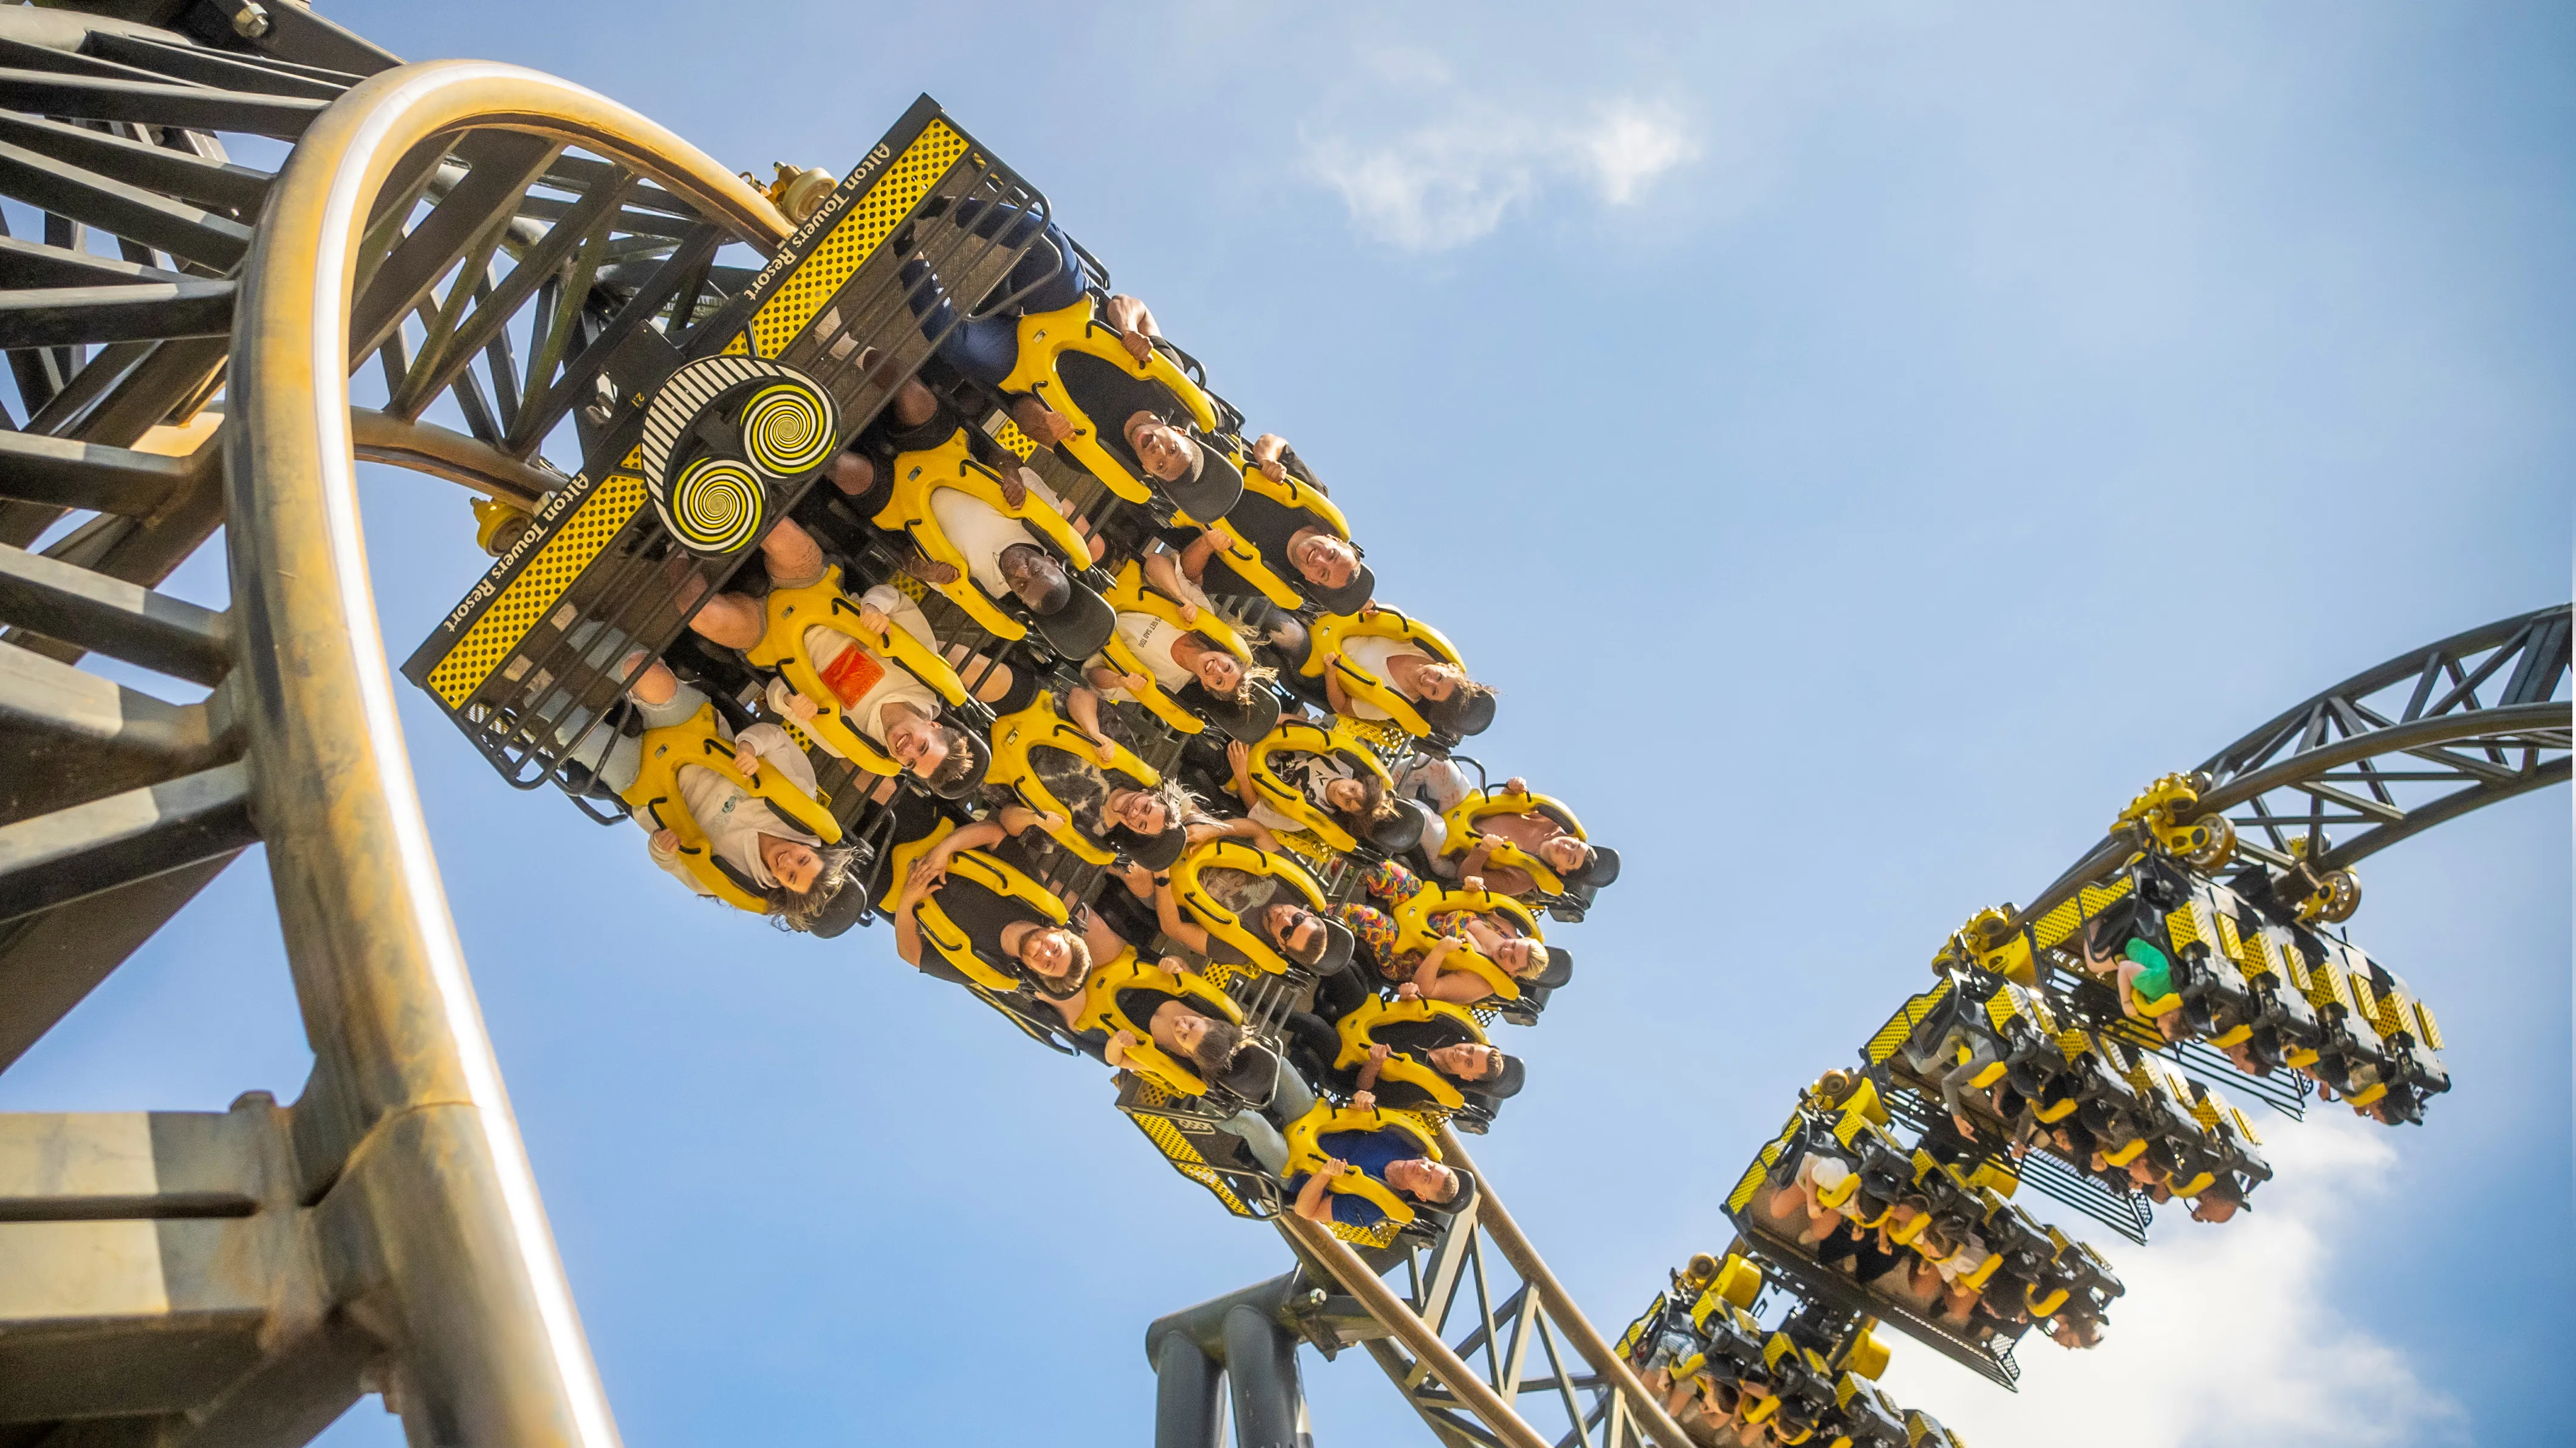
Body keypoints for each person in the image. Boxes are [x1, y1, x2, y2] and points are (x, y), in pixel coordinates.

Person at [668, 516, 992, 794]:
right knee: (779, 532)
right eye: (922, 747)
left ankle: (674, 545)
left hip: (771, 638)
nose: (907, 750)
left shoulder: (848, 742)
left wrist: (790, 702)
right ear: (934, 727)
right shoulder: (925, 675)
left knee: (699, 615)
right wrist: (874, 607)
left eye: (910, 762)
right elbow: (894, 598)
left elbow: (775, 692)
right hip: (811, 590)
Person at [567, 653, 854, 929]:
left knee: (570, 734)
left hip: (645, 782)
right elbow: (776, 739)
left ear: (783, 886)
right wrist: (750, 747)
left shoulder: (735, 879)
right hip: (693, 734)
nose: (788, 861)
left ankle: (534, 684)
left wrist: (661, 848)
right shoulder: (802, 800)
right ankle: (578, 629)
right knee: (641, 669)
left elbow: (675, 865)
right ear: (812, 849)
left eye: (790, 875)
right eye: (802, 859)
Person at [889, 816, 1122, 994]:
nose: (1046, 954)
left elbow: (912, 954)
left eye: (1049, 965)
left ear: (1038, 973)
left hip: (892, 885)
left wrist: (909, 897)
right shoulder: (1032, 896)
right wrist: (943, 851)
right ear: (1057, 932)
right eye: (1057, 949)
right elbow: (994, 834)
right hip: (931, 838)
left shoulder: (987, 967)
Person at [1262, 610, 1496, 737]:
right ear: (1447, 667)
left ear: (1431, 700)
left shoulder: (1391, 705)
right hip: (1329, 618)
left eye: (1433, 691)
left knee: (1283, 629)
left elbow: (1341, 707)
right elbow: (1378, 617)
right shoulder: (1416, 642)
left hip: (1317, 660)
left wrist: (1331, 673)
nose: (1428, 680)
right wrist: (1367, 608)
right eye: (1439, 677)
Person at [1287, 1122, 1462, 1230]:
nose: (1422, 1168)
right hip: (1312, 1124)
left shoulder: (1373, 1207)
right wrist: (1361, 1101)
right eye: (1430, 1167)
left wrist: (1324, 1175)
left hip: (1295, 1169)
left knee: (1258, 1125)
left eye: (1426, 1179)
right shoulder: (1406, 1143)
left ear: (1420, 1195)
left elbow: (1306, 1212)